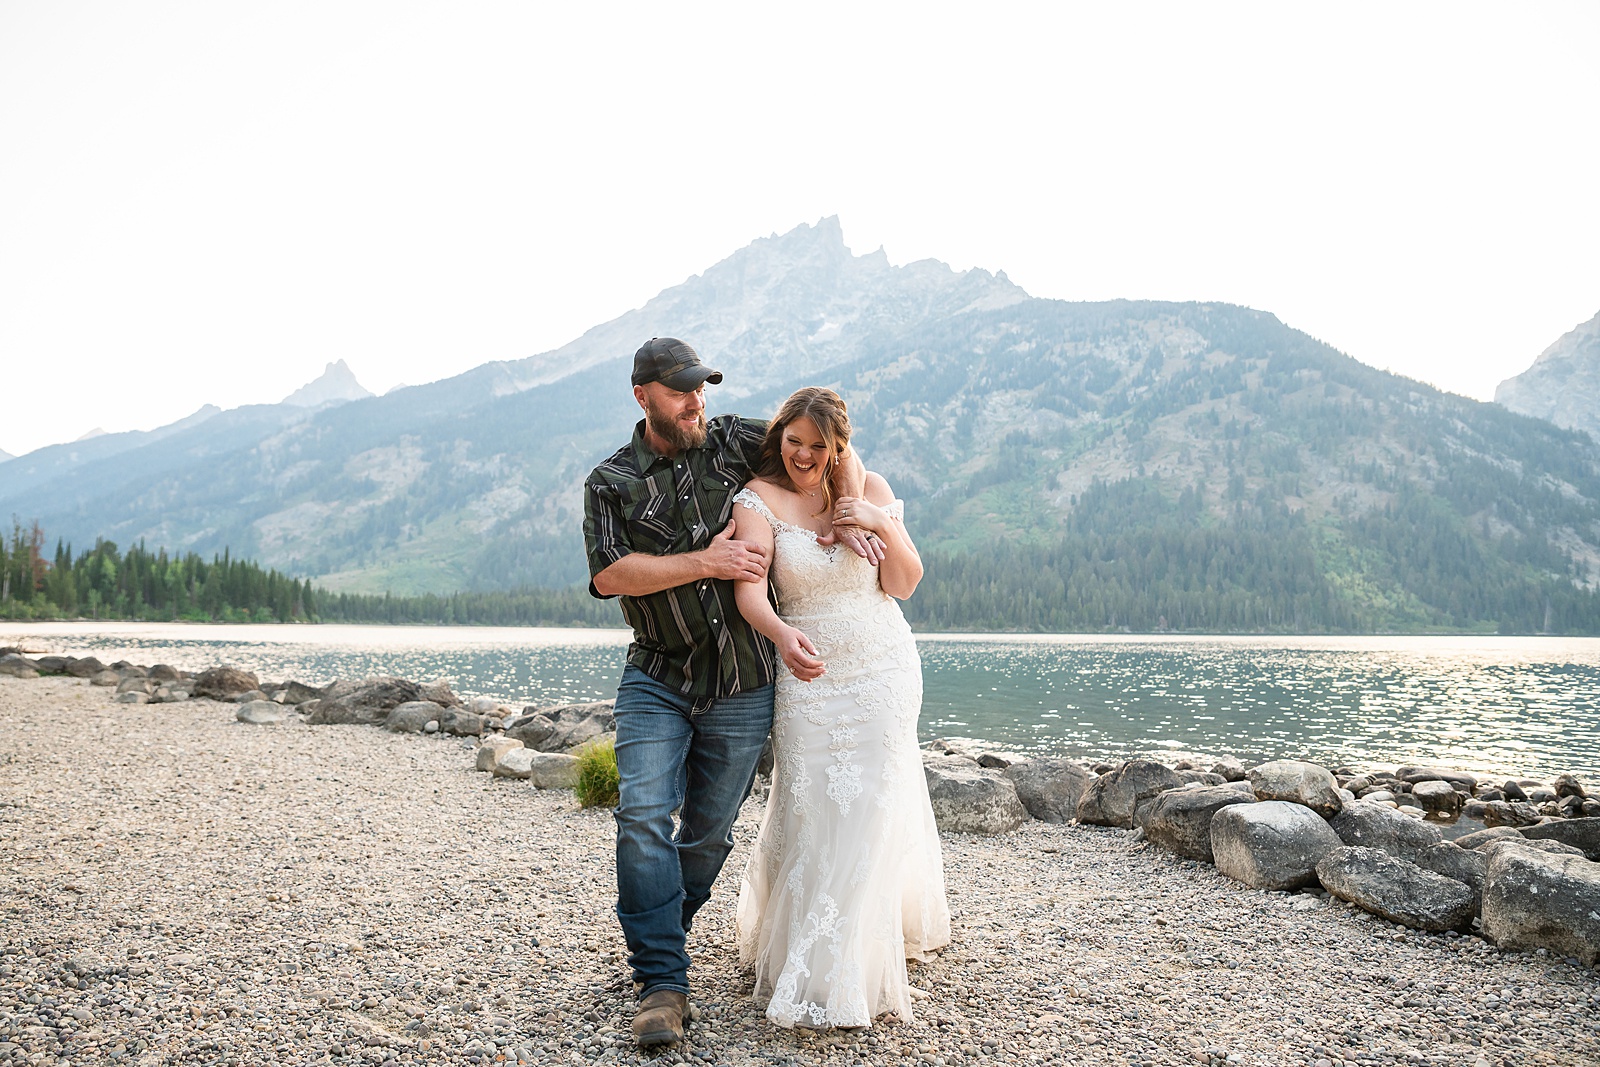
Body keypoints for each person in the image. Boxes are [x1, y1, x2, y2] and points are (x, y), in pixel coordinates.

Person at [582, 340, 881, 1048]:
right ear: (643, 396)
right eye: (681, 391)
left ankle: (661, 936)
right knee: (643, 816)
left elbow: (833, 450)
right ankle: (662, 981)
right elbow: (609, 575)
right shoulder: (611, 481)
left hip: (744, 682)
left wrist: (854, 507)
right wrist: (708, 560)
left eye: (701, 388)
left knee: (711, 832)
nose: (696, 401)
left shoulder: (738, 440)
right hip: (658, 674)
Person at [730, 386, 950, 1029]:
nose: (802, 454)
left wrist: (877, 519)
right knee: (815, 809)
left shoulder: (869, 489)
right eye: (793, 441)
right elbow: (750, 592)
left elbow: (904, 582)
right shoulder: (757, 500)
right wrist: (780, 634)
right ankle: (801, 939)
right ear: (779, 438)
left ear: (838, 447)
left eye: (817, 446)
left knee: (869, 812)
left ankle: (841, 967)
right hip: (808, 671)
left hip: (882, 669)